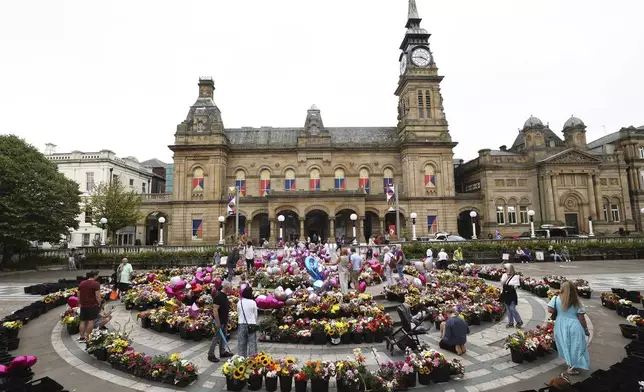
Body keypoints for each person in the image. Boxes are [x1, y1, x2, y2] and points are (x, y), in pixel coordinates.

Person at [548, 281, 590, 376]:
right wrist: (586, 329)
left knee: (564, 344)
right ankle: (571, 366)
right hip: (574, 325)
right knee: (575, 346)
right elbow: (581, 318)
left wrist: (558, 309)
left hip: (560, 324)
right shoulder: (577, 302)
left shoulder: (556, 298)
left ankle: (569, 363)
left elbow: (550, 309)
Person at [208, 281, 234, 362]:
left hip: (224, 320)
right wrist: (218, 322)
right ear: (226, 287)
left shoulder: (224, 295)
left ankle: (222, 351)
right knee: (216, 338)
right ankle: (210, 354)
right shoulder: (218, 296)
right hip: (220, 321)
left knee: (223, 337)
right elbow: (215, 310)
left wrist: (228, 319)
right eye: (230, 287)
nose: (231, 289)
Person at [78, 270, 101, 342]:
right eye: (97, 275)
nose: (98, 276)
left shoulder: (82, 283)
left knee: (82, 321)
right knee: (91, 321)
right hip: (92, 305)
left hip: (83, 305)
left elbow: (78, 294)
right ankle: (88, 337)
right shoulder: (96, 284)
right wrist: (99, 303)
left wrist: (80, 302)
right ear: (95, 276)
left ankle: (81, 337)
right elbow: (97, 296)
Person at [237, 286, 258, 357]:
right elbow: (255, 314)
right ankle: (252, 359)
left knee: (241, 343)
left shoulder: (239, 302)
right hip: (251, 324)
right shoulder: (253, 302)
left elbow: (238, 313)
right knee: (252, 342)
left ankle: (241, 358)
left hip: (241, 323)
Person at [501, 264, 523, 328]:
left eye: (506, 269)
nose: (505, 270)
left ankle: (519, 321)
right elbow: (502, 283)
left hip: (511, 294)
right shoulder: (504, 275)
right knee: (507, 308)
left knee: (512, 308)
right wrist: (506, 278)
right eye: (505, 269)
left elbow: (516, 286)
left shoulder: (516, 276)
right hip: (505, 293)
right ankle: (510, 322)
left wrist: (510, 289)